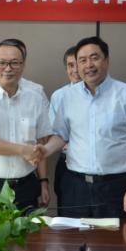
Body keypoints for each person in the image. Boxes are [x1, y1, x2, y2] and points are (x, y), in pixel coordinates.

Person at [41, 36, 126, 218]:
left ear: (106, 60)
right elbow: (61, 135)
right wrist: (44, 151)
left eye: (94, 58)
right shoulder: (67, 97)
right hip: (75, 186)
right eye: (82, 60)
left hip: (115, 186)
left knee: (117, 236)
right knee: (73, 235)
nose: (89, 65)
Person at [0, 38, 51, 210]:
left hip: (26, 186)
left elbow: (42, 141)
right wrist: (23, 150)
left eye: (14, 63)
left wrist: (43, 181)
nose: (8, 68)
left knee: (30, 229)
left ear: (23, 65)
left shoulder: (35, 98)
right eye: (1, 63)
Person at [49, 46, 81, 215]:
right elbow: (53, 131)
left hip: (95, 168)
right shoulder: (59, 96)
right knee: (66, 215)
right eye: (70, 65)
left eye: (78, 64)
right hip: (66, 162)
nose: (75, 70)